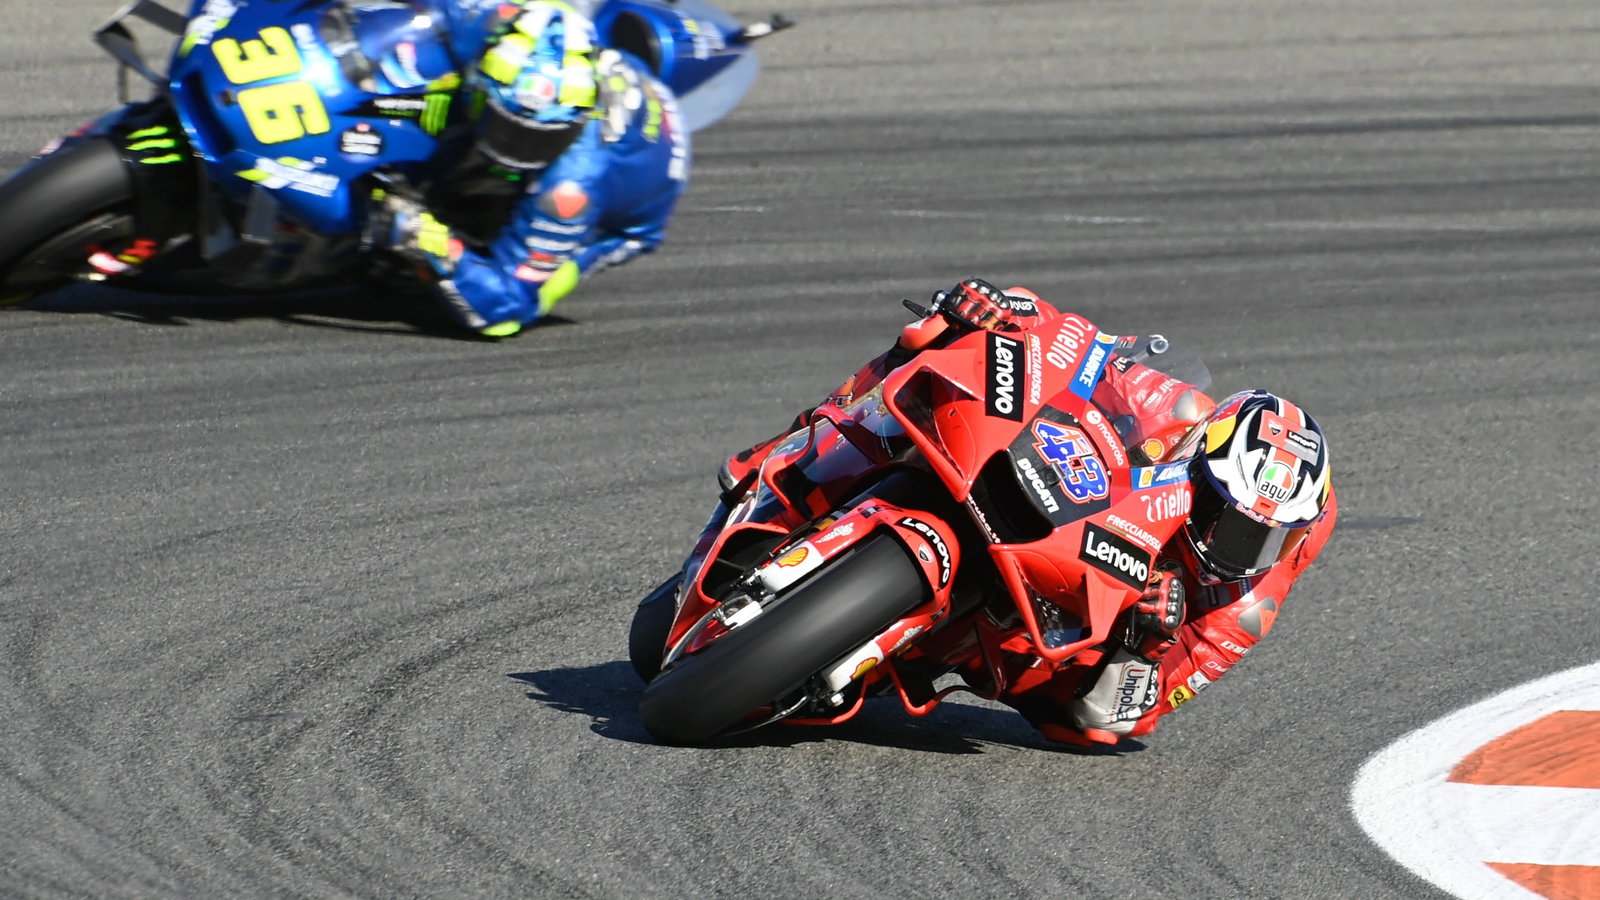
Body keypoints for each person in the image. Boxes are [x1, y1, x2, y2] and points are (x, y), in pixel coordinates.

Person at [712, 279, 1339, 746]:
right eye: (1233, 524)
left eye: (1265, 538)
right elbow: (1083, 347)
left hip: (1074, 620)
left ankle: (914, 643)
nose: (1241, 551)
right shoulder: (1176, 411)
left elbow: (1127, 715)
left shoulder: (1248, 599)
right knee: (936, 335)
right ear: (1198, 458)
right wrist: (1010, 313)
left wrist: (1143, 651)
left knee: (1082, 734)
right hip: (1064, 499)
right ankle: (792, 447)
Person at [364, 0, 690, 337]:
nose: (517, 151)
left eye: (538, 139)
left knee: (516, 309)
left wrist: (429, 242)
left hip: (631, 200)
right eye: (508, 130)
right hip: (587, 84)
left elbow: (504, 310)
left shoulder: (570, 190)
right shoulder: (487, 23)